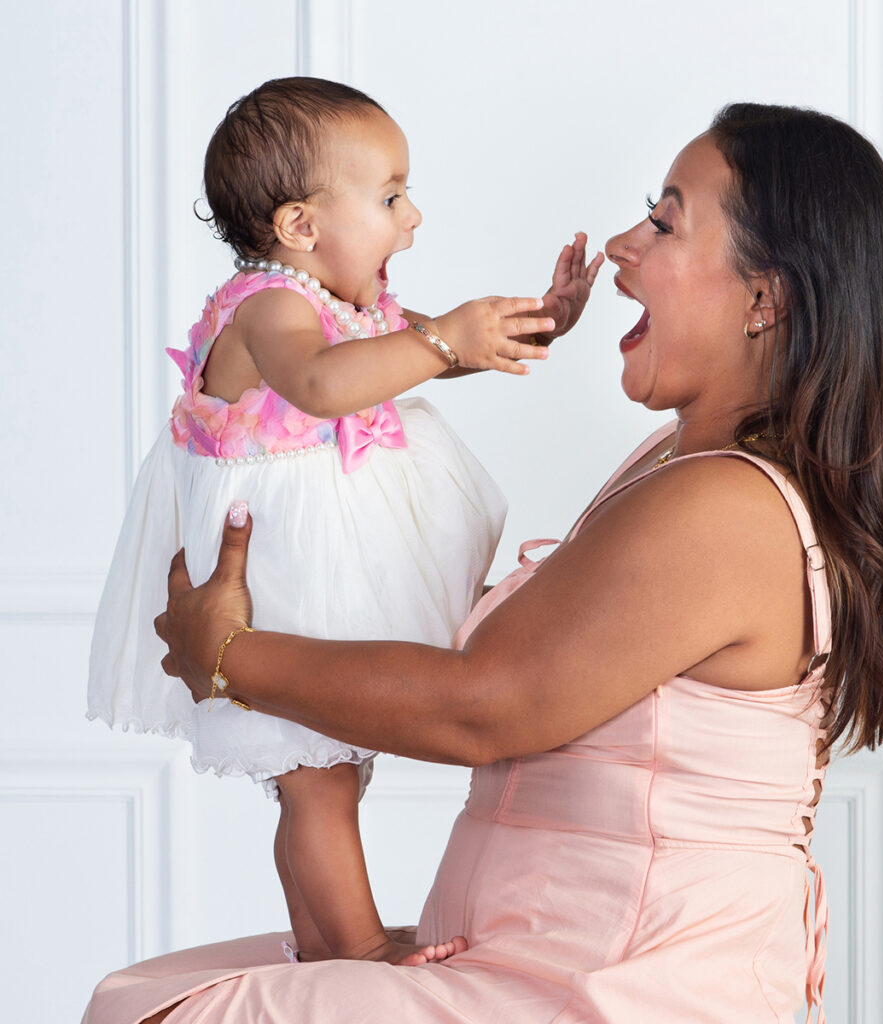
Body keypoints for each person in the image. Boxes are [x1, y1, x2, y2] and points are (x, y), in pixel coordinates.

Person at [84, 102, 883, 1024]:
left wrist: (229, 653)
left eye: (663, 222)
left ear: (764, 298)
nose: (620, 244)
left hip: (613, 992)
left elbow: (482, 706)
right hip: (537, 966)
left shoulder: (729, 506)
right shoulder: (677, 467)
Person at [86, 77, 602, 968]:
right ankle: (359, 947)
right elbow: (322, 385)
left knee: (325, 780)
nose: (414, 219)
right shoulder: (270, 306)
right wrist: (442, 341)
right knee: (315, 783)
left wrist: (530, 325)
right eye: (392, 196)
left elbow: (416, 356)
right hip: (280, 578)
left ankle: (329, 945)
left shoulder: (332, 300)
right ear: (300, 225)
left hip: (327, 565)